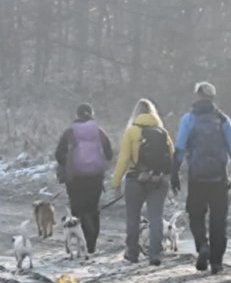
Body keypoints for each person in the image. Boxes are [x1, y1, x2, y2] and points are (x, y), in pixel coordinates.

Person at [173, 82, 231, 274]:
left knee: (196, 214)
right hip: (219, 177)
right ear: (213, 97)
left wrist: (174, 174)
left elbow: (179, 148)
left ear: (197, 96)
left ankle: (202, 245)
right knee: (218, 220)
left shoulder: (189, 119)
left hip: (197, 177)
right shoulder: (223, 119)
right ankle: (217, 262)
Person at [111, 98, 175, 266]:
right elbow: (172, 156)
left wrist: (115, 182)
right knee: (156, 217)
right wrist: (169, 178)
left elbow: (123, 159)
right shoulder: (162, 132)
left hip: (136, 179)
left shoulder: (131, 131)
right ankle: (155, 253)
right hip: (159, 180)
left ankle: (132, 253)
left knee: (133, 216)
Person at [54, 103, 113, 254]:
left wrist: (68, 163)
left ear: (77, 115)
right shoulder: (99, 131)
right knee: (93, 209)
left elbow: (58, 154)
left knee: (78, 210)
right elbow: (109, 153)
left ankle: (82, 244)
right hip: (95, 177)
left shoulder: (69, 132)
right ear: (92, 114)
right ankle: (92, 245)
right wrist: (100, 163)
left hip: (75, 179)